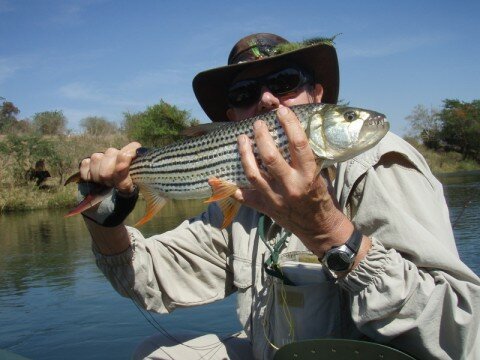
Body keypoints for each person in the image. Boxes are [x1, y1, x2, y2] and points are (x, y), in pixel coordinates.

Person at [78, 33, 480, 359]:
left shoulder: (380, 164)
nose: (267, 100)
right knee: (156, 354)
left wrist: (326, 230)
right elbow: (147, 280)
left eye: (285, 82)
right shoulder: (240, 190)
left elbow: (464, 336)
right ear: (232, 119)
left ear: (317, 95)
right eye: (244, 94)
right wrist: (106, 219)